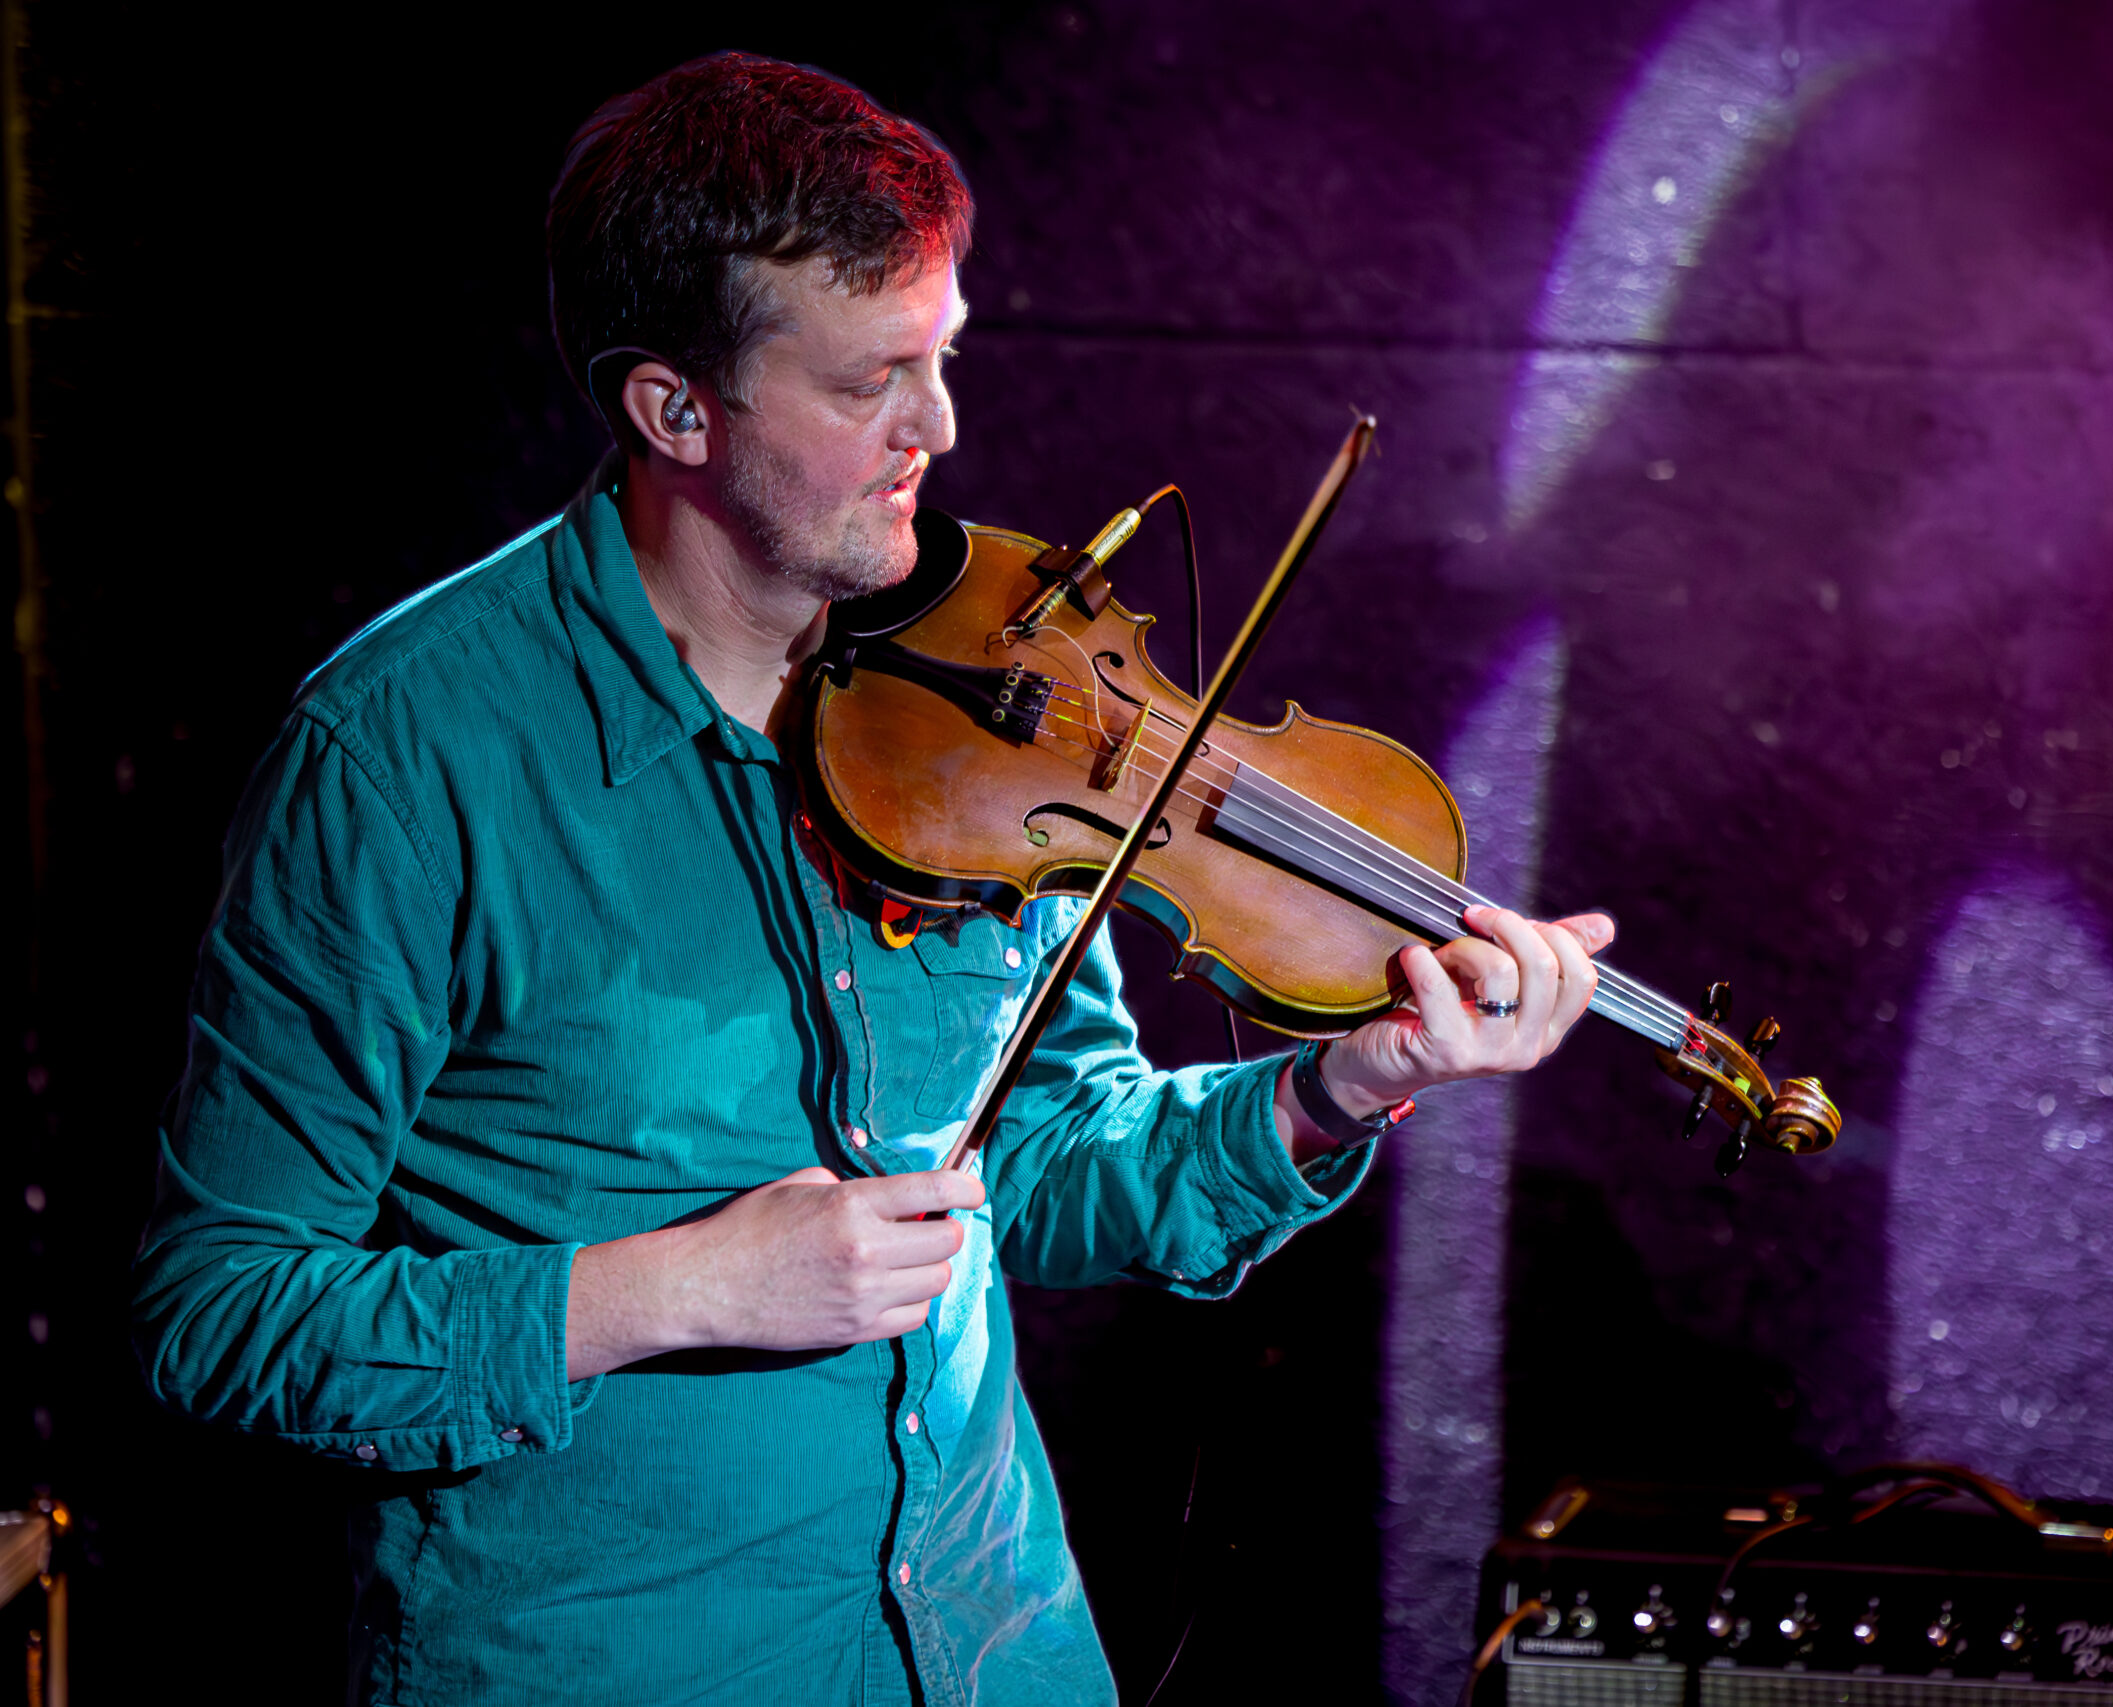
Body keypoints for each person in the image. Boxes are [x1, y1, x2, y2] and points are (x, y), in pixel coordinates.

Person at [132, 52, 1610, 1706]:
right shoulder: (403, 759)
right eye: (869, 384)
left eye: (943, 357)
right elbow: (225, 1313)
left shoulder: (993, 693)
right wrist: (680, 1286)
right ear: (676, 411)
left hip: (995, 1654)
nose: (941, 428)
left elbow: (1043, 1157)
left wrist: (1340, 1087)